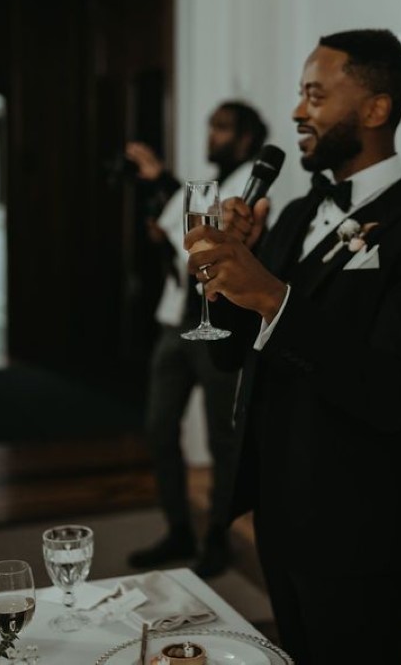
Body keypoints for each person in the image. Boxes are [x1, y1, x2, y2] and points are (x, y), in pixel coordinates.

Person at [183, 29, 401, 663]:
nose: (296, 112)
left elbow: (390, 391)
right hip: (281, 514)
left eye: (315, 95)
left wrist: (274, 298)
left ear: (375, 110)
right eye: (299, 94)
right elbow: (228, 356)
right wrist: (227, 267)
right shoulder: (290, 216)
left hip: (358, 529)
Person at [125, 100, 269, 579]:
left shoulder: (253, 187)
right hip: (174, 320)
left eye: (222, 128)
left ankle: (217, 540)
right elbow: (180, 231)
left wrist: (165, 193)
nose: (212, 135)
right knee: (158, 426)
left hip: (218, 326)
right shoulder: (205, 183)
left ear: (246, 137)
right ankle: (179, 528)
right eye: (210, 126)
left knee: (222, 440)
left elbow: (208, 234)